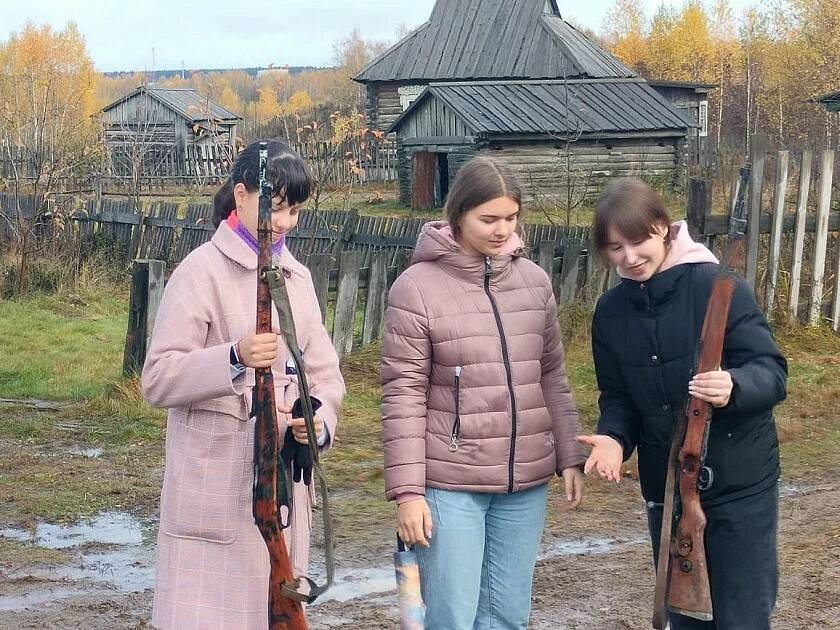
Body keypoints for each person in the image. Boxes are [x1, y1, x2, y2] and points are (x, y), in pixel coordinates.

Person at [142, 139, 345, 629]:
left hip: (281, 497)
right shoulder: (199, 273)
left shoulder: (297, 280)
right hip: (212, 501)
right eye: (276, 207)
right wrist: (233, 357)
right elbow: (158, 378)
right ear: (240, 195)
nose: (285, 222)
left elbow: (325, 375)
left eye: (294, 211)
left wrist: (317, 421)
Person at [381, 156, 586, 629]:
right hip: (450, 481)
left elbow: (551, 375)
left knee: (507, 616)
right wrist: (408, 492)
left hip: (525, 481)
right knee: (452, 617)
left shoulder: (534, 283)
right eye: (488, 219)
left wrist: (570, 456)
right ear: (458, 215)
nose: (502, 230)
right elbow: (403, 394)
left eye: (511, 218)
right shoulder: (416, 288)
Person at [578, 178, 787, 629]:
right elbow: (619, 398)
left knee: (743, 618)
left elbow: (771, 372)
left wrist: (734, 385)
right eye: (615, 248)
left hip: (740, 487)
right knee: (688, 619)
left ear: (662, 228)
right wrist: (614, 440)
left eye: (637, 241)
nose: (629, 257)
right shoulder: (610, 312)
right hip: (668, 491)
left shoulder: (717, 287)